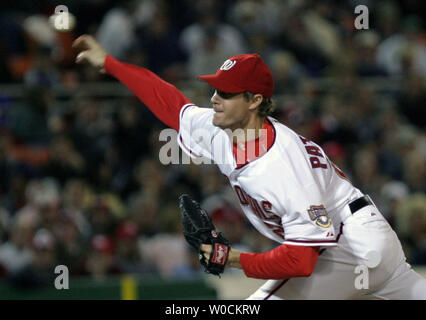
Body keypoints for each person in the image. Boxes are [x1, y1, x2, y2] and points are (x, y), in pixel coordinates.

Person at [72, 35, 426, 299]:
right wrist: (111, 64)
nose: (214, 99)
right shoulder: (220, 128)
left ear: (255, 100)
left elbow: (301, 262)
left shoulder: (282, 167)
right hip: (367, 241)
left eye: (226, 93)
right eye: (215, 89)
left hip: (351, 246)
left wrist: (233, 258)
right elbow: (169, 102)